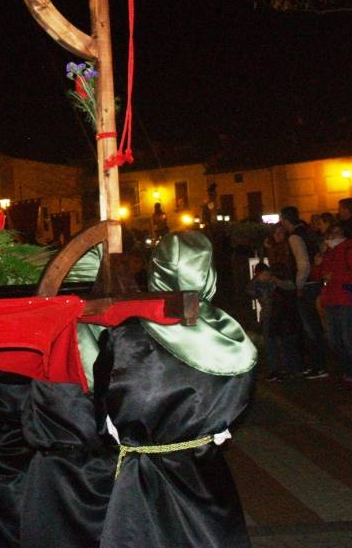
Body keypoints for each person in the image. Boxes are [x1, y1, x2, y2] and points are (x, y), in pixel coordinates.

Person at [93, 230, 256, 547]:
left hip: (142, 483)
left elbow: (104, 418)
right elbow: (236, 405)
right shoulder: (232, 336)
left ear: (158, 271)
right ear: (209, 274)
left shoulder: (125, 336)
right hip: (206, 476)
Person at [312, 223, 352, 388]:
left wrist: (334, 276)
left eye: (334, 233)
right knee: (333, 339)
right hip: (330, 300)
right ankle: (346, 370)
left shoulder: (349, 249)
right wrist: (318, 264)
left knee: (347, 338)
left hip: (345, 300)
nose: (331, 237)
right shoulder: (329, 251)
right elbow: (318, 277)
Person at [279, 206, 328, 379]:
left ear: (285, 220)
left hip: (306, 286)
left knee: (310, 327)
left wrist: (299, 285)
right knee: (315, 326)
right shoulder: (307, 232)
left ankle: (318, 365)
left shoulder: (295, 237)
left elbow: (303, 263)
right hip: (314, 283)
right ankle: (320, 363)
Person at [247, 262, 301, 381]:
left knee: (282, 343)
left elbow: (290, 286)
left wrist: (275, 281)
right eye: (263, 274)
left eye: (268, 274)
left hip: (280, 317)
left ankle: (286, 369)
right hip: (269, 317)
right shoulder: (257, 285)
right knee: (270, 344)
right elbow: (251, 291)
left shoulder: (274, 282)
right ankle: (275, 369)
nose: (266, 276)